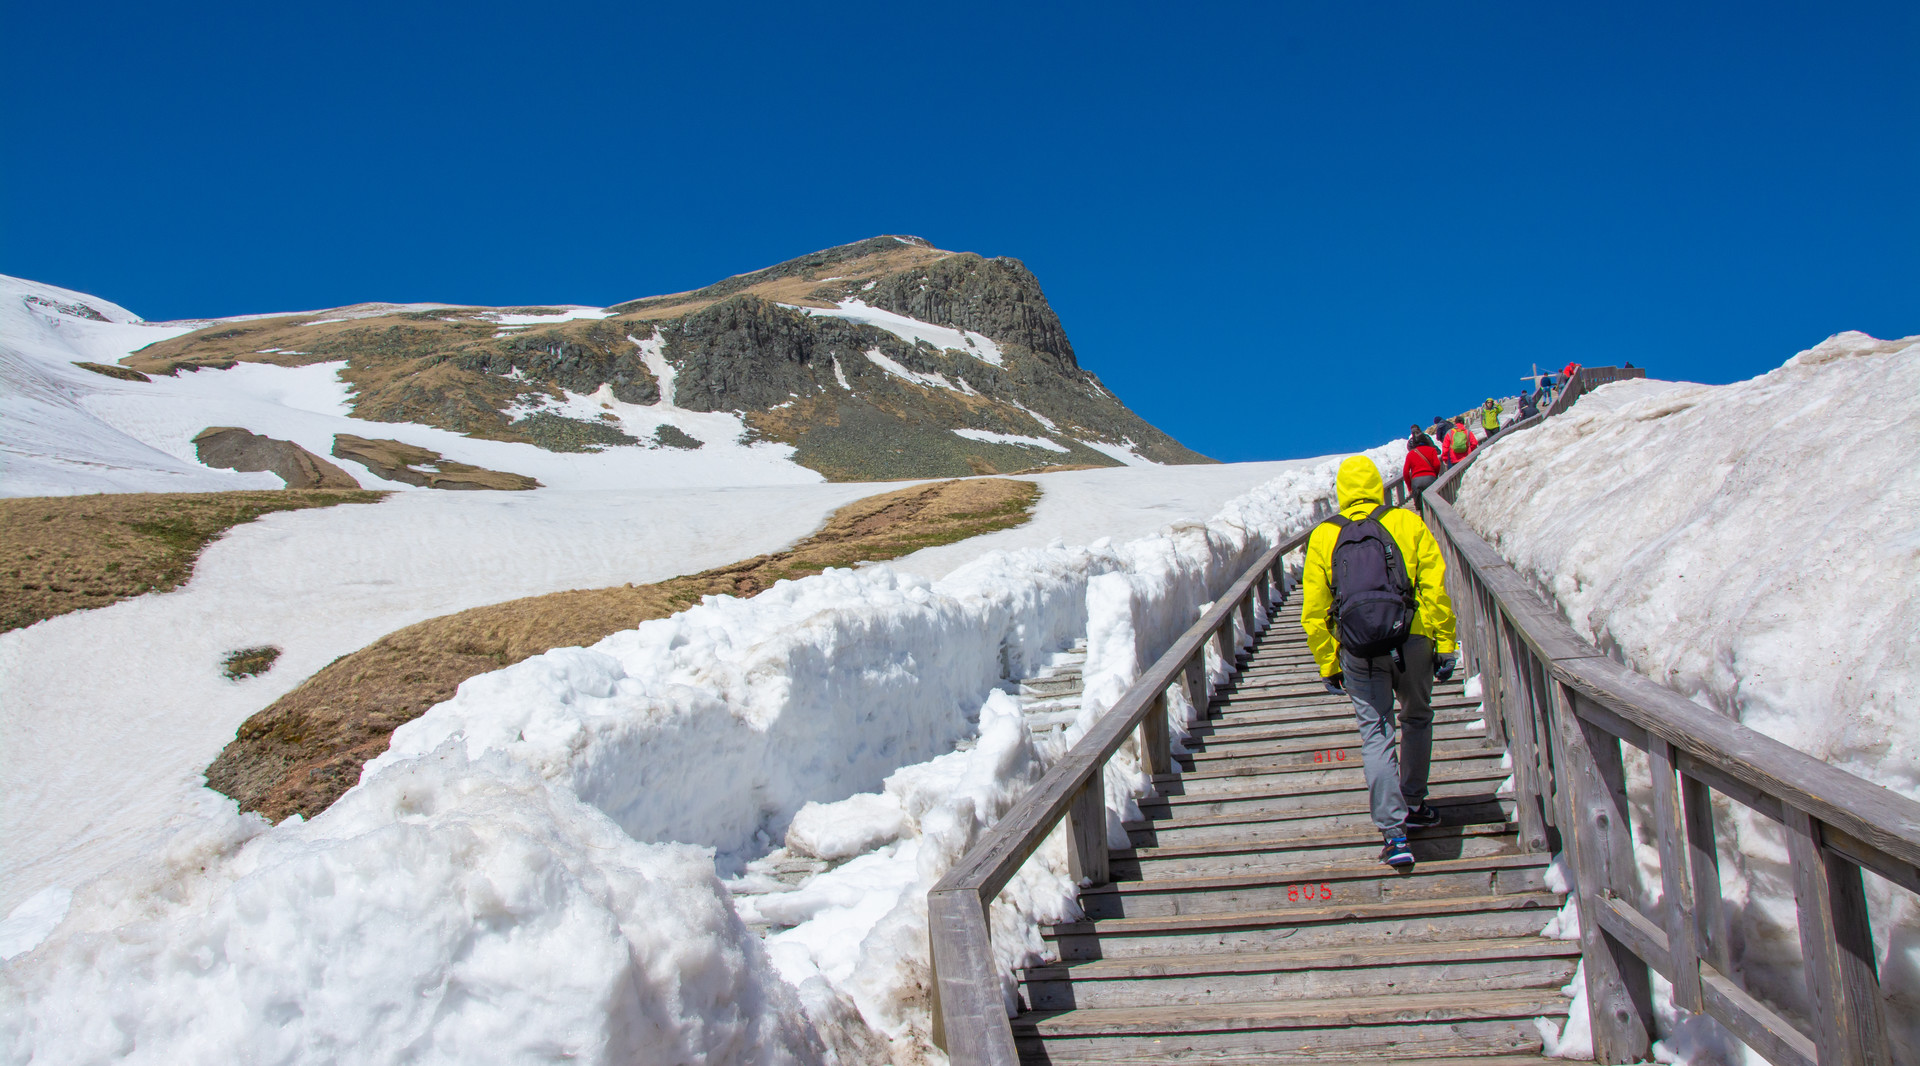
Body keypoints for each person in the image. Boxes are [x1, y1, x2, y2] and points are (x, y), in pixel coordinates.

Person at [1301, 456, 1459, 868]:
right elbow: (1434, 586)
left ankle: (1393, 832)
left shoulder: (1325, 535)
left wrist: (1328, 661)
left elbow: (1315, 608)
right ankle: (1415, 803)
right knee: (1418, 718)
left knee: (1376, 734)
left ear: (1342, 490)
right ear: (1376, 485)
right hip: (1414, 637)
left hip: (1358, 649)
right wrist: (1445, 642)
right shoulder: (1406, 522)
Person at [1403, 430, 1443, 496]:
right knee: (1432, 499)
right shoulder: (1432, 450)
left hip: (1416, 480)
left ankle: (1418, 506)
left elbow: (1405, 472)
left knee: (1418, 504)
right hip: (1430, 478)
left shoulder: (1410, 454)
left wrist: (1410, 488)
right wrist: (1434, 475)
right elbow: (1437, 464)